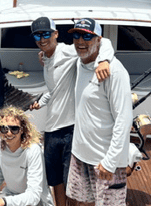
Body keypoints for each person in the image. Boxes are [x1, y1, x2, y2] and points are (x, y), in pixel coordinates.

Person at [29, 17, 114, 206]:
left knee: (73, 183)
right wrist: (40, 102)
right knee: (56, 180)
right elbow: (55, 90)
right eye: (37, 35)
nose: (42, 39)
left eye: (46, 34)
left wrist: (105, 61)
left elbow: (104, 41)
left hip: (71, 129)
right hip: (51, 130)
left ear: (56, 34)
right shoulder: (46, 58)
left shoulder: (68, 51)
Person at [66, 18, 133, 206]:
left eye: (87, 36)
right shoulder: (80, 62)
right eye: (77, 35)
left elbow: (124, 119)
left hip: (104, 160)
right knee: (82, 202)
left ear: (98, 40)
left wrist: (110, 162)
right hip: (80, 154)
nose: (80, 41)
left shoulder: (115, 72)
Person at [0, 106, 54, 206]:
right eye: (4, 128)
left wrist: (3, 201)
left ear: (22, 130)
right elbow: (2, 169)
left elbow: (34, 196)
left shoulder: (33, 150)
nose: (9, 133)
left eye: (14, 129)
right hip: (10, 195)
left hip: (37, 202)